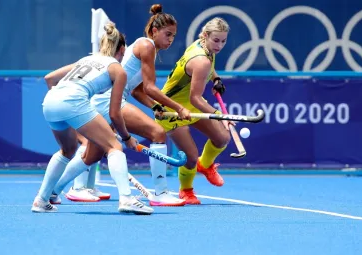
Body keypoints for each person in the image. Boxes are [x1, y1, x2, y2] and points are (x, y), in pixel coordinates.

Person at [51, 4, 189, 206]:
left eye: (174, 36)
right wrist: (179, 108)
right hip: (109, 100)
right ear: (154, 31)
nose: (171, 40)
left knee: (92, 155)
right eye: (168, 34)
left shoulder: (146, 48)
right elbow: (151, 87)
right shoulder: (147, 46)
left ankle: (55, 190)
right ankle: (160, 193)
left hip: (103, 100)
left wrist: (155, 107)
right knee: (158, 133)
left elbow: (138, 90)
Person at [32, 22, 153, 215]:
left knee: (68, 150)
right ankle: (127, 199)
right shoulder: (118, 70)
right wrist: (127, 137)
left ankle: (41, 200)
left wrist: (64, 107)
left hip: (50, 102)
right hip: (73, 102)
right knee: (114, 146)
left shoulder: (86, 60)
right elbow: (115, 113)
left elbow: (49, 78)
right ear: (122, 50)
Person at [154, 17, 231, 204]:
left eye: (223, 41)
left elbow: (209, 68)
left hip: (190, 104)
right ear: (206, 35)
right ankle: (186, 190)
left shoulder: (203, 46)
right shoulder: (201, 60)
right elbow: (195, 98)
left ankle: (204, 166)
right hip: (171, 108)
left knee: (222, 138)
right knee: (189, 157)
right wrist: (220, 116)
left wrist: (216, 79)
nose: (219, 45)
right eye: (216, 40)